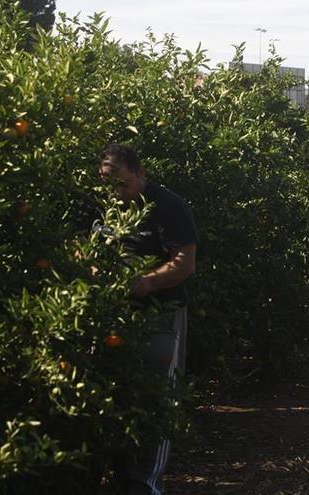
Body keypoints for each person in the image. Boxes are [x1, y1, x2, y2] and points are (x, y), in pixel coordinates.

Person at [97, 143, 197, 495]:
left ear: (140, 174)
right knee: (112, 396)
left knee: (155, 395)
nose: (115, 192)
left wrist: (146, 283)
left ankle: (144, 483)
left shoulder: (168, 206)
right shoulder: (95, 205)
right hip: (107, 313)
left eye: (122, 183)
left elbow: (185, 261)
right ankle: (114, 473)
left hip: (159, 313)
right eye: (107, 184)